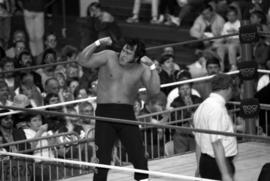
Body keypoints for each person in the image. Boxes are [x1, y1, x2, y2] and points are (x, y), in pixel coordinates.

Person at [77, 37, 160, 181]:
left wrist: (152, 67)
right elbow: (82, 60)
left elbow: (154, 91)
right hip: (105, 114)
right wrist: (99, 43)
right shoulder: (109, 56)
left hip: (126, 114)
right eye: (123, 50)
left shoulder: (141, 68)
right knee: (102, 161)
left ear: (137, 57)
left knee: (139, 158)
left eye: (128, 53)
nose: (123, 54)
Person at [193, 73, 238, 181]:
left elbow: (199, 142)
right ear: (228, 88)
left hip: (208, 162)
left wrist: (199, 166)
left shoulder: (203, 106)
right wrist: (225, 174)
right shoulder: (216, 109)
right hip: (218, 165)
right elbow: (216, 143)